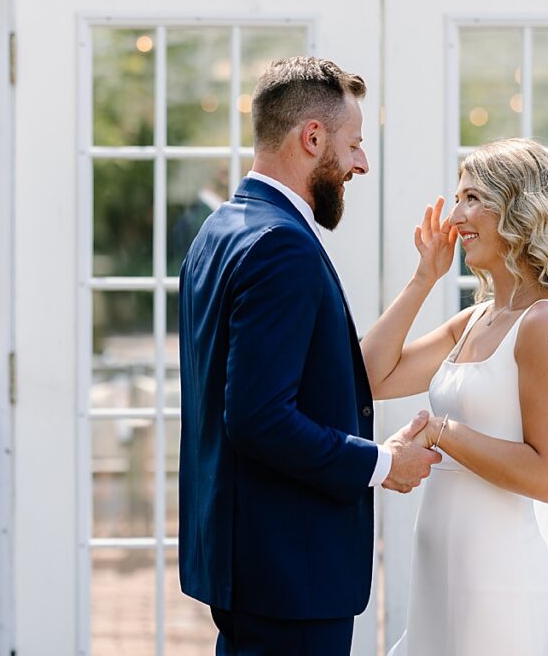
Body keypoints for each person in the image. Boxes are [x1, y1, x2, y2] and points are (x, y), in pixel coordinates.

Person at [177, 56, 442, 656]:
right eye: (354, 144)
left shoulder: (222, 229)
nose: (361, 164)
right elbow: (259, 418)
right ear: (312, 137)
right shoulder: (282, 247)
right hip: (288, 575)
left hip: (248, 562)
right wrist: (380, 463)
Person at [363, 138, 548, 656]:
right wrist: (424, 277)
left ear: (519, 207)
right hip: (439, 570)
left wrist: (441, 431)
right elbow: (371, 377)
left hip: (497, 583)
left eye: (472, 198)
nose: (455, 216)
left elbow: (547, 475)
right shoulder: (476, 319)